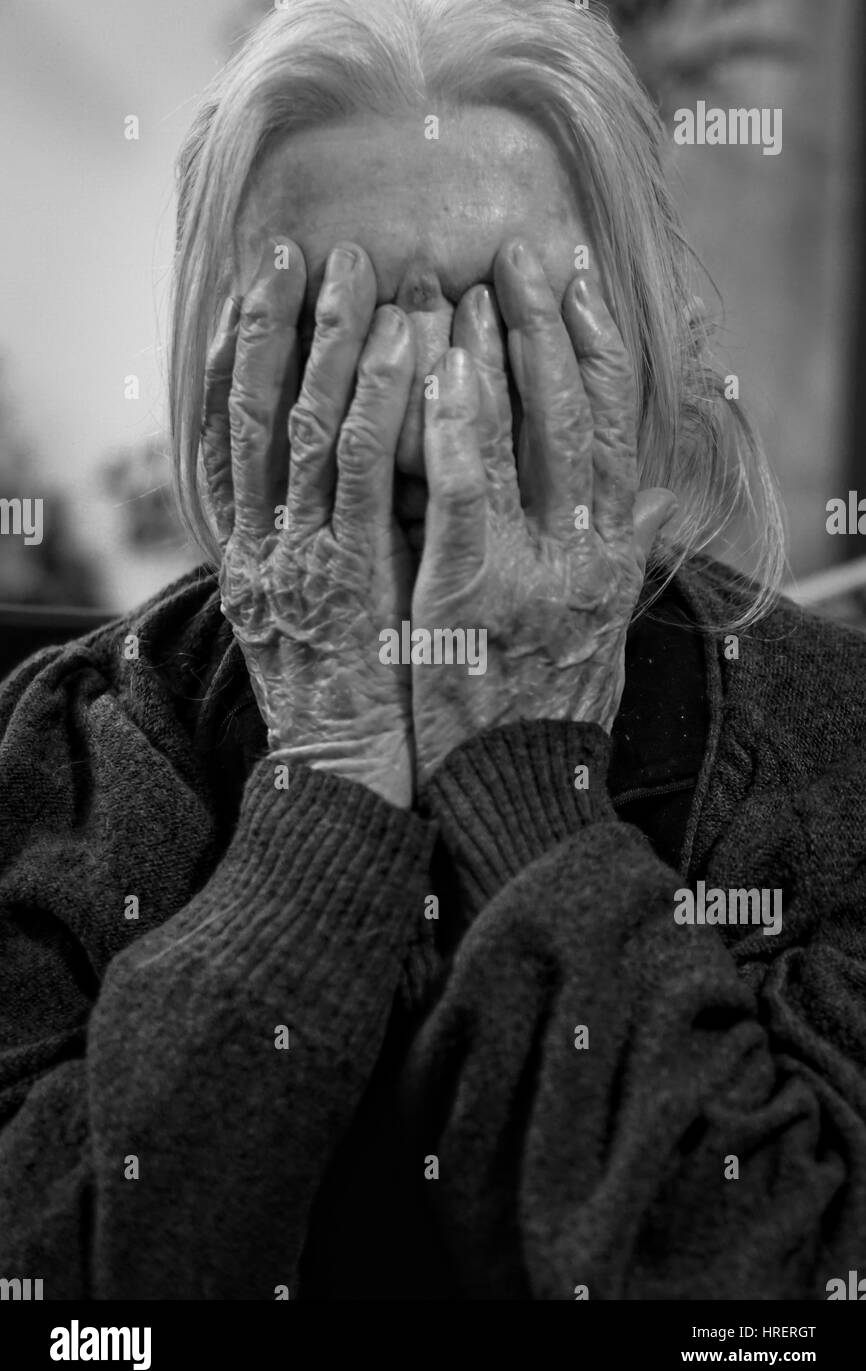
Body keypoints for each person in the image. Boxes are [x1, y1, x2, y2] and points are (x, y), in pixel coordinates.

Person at [1, 0, 864, 1302]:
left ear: (633, 359)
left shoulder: (831, 754)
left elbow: (775, 1303)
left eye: (491, 333)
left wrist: (529, 786)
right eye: (334, 346)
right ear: (211, 375)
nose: (412, 434)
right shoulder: (65, 754)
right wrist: (332, 777)